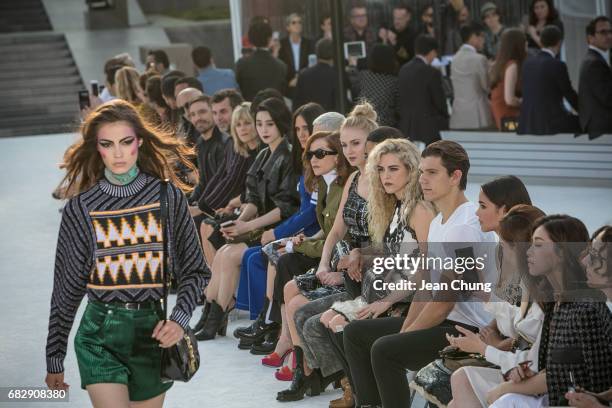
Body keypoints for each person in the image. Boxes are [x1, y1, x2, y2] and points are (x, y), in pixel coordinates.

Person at [44, 100, 209, 407]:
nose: (118, 153)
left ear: (140, 143)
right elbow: (66, 290)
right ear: (97, 148)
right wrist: (54, 355)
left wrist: (179, 320)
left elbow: (195, 271)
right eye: (108, 144)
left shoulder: (166, 197)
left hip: (152, 332)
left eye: (125, 142)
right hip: (99, 333)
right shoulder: (81, 209)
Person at [343, 140, 497, 408]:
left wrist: (404, 337)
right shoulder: (440, 221)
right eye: (422, 172)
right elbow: (425, 285)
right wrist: (405, 330)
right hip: (447, 320)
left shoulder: (464, 228)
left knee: (385, 350)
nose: (422, 179)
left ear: (455, 176)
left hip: (468, 328)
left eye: (432, 173)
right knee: (357, 332)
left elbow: (444, 302)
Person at [231, 110, 343, 343]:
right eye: (299, 130)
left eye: (309, 130)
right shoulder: (319, 174)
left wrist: (285, 236)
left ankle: (274, 327)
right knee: (271, 251)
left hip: (325, 245)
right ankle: (266, 321)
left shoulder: (339, 180)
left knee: (275, 253)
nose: (304, 135)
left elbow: (310, 215)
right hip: (315, 238)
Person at [196, 97, 301, 341]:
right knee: (222, 254)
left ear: (280, 124)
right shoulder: (264, 154)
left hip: (277, 227)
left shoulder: (287, 156)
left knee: (230, 254)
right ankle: (211, 315)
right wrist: (239, 223)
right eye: (260, 124)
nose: (263, 130)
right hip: (259, 223)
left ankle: (215, 319)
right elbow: (252, 198)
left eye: (269, 124)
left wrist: (247, 225)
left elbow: (285, 207)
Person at [487, 215, 612, 408]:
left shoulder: (586, 309)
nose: (527, 252)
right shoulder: (557, 302)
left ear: (562, 252)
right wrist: (531, 372)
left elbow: (600, 376)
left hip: (566, 402)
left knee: (503, 400)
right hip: (559, 399)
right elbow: (555, 368)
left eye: (537, 245)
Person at [274, 131, 352, 402]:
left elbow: (340, 237)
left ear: (337, 157)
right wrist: (309, 239)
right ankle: (304, 370)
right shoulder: (324, 184)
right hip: (328, 259)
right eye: (310, 154)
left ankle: (307, 371)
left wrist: (301, 246)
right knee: (288, 285)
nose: (313, 159)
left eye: (321, 153)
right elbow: (326, 229)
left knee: (295, 300)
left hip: (343, 266)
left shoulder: (343, 186)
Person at [448, 204, 545, 408]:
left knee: (460, 386)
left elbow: (531, 348)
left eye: (504, 243)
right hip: (523, 366)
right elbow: (517, 320)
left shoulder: (545, 289)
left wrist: (484, 347)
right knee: (459, 382)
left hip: (537, 379)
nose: (500, 247)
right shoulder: (527, 280)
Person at [518, 25, 580, 135]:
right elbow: (569, 94)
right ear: (559, 42)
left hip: (527, 123)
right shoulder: (557, 65)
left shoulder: (527, 63)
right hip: (550, 123)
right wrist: (585, 113)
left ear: (541, 41)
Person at [397, 34, 449, 145]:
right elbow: (439, 102)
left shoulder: (403, 70)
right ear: (432, 52)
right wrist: (445, 118)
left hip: (406, 128)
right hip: (428, 129)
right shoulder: (431, 72)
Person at [186, 95, 230, 211]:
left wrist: (200, 207)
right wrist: (188, 203)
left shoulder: (225, 142)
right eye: (193, 115)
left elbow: (223, 183)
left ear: (213, 113)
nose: (197, 118)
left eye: (202, 112)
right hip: (206, 203)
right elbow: (203, 182)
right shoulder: (200, 142)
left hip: (222, 206)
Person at [450, 21, 495, 130]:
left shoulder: (454, 59)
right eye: (482, 37)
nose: (484, 41)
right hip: (478, 116)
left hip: (458, 115)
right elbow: (487, 87)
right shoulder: (479, 59)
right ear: (474, 36)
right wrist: (492, 69)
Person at [236, 19, 288, 101]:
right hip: (274, 111)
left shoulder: (242, 64)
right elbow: (283, 92)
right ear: (270, 39)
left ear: (250, 39)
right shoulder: (281, 66)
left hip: (250, 110)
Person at [579, 16, 612, 139]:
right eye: (603, 32)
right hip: (602, 129)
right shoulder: (594, 63)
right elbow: (608, 97)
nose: (608, 36)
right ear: (590, 38)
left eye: (610, 31)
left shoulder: (595, 59)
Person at [490, 28, 527, 131]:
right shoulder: (512, 65)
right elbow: (509, 99)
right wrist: (526, 102)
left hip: (502, 117)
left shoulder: (499, 63)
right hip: (509, 118)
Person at [354, 44, 399, 127]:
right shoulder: (395, 82)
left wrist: (352, 65)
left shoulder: (363, 76)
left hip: (362, 124)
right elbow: (398, 108)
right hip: (385, 126)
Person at [294, 38, 338, 112]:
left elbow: (297, 104)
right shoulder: (337, 75)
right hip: (331, 119)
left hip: (309, 118)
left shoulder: (304, 74)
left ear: (317, 53)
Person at [278, 13, 314, 101]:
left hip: (306, 84)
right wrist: (290, 81)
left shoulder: (308, 43)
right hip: (288, 87)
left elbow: (312, 63)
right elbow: (280, 65)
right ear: (287, 27)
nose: (297, 25)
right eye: (294, 22)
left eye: (299, 22)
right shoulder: (282, 44)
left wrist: (299, 78)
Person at [343, 2, 376, 70]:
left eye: (364, 15)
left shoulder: (374, 33)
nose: (362, 19)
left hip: (370, 72)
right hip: (351, 71)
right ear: (351, 19)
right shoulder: (344, 35)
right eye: (358, 16)